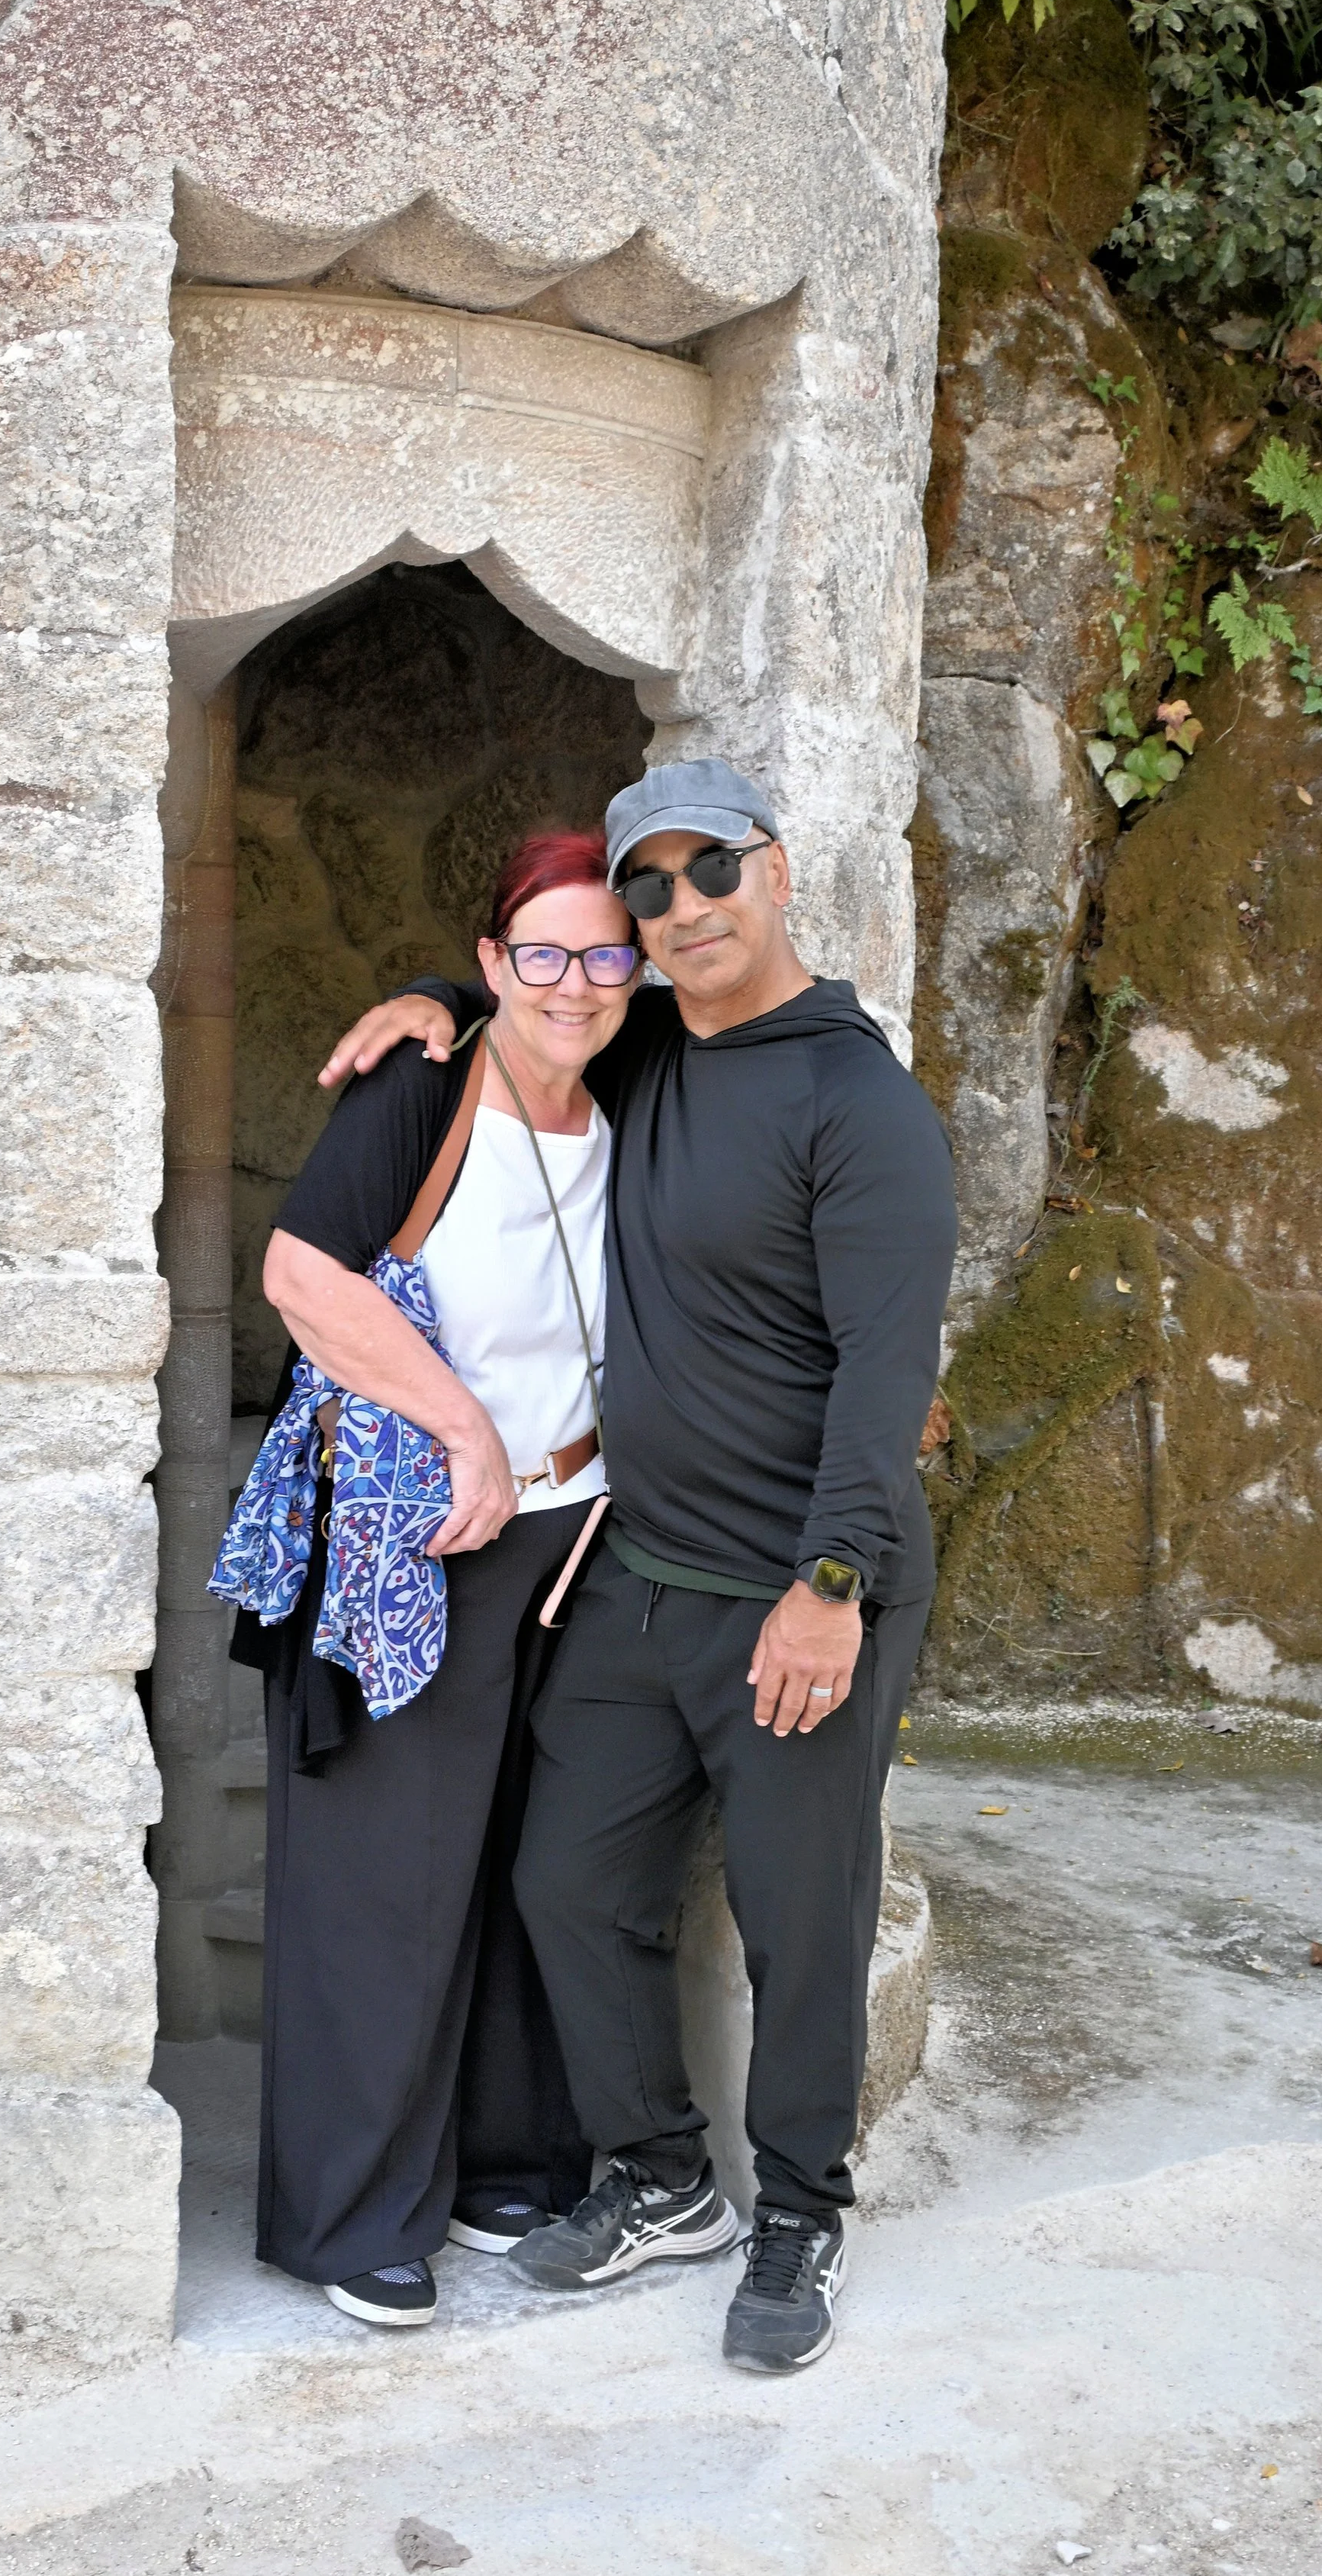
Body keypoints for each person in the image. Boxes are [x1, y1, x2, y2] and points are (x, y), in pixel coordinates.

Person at [317, 759, 957, 2372]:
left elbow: (888, 1373)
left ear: (777, 872)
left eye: (707, 872)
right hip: (637, 1571)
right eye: (647, 890)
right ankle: (662, 2174)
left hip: (797, 1587)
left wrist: (832, 1586)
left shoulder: (860, 1106)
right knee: (565, 1880)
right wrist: (419, 997)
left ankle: (801, 2210)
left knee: (799, 1913)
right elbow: (537, 994)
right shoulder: (657, 1039)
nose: (676, 912)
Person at [224, 829, 641, 2329]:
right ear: (489, 966)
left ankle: (503, 2163)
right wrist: (458, 1425)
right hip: (418, 1534)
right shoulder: (423, 1085)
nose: (575, 983)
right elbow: (299, 1277)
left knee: (534, 1865)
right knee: (384, 1882)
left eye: (606, 954)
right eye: (541, 952)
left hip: (578, 1532)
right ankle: (350, 2219)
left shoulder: (643, 1094)